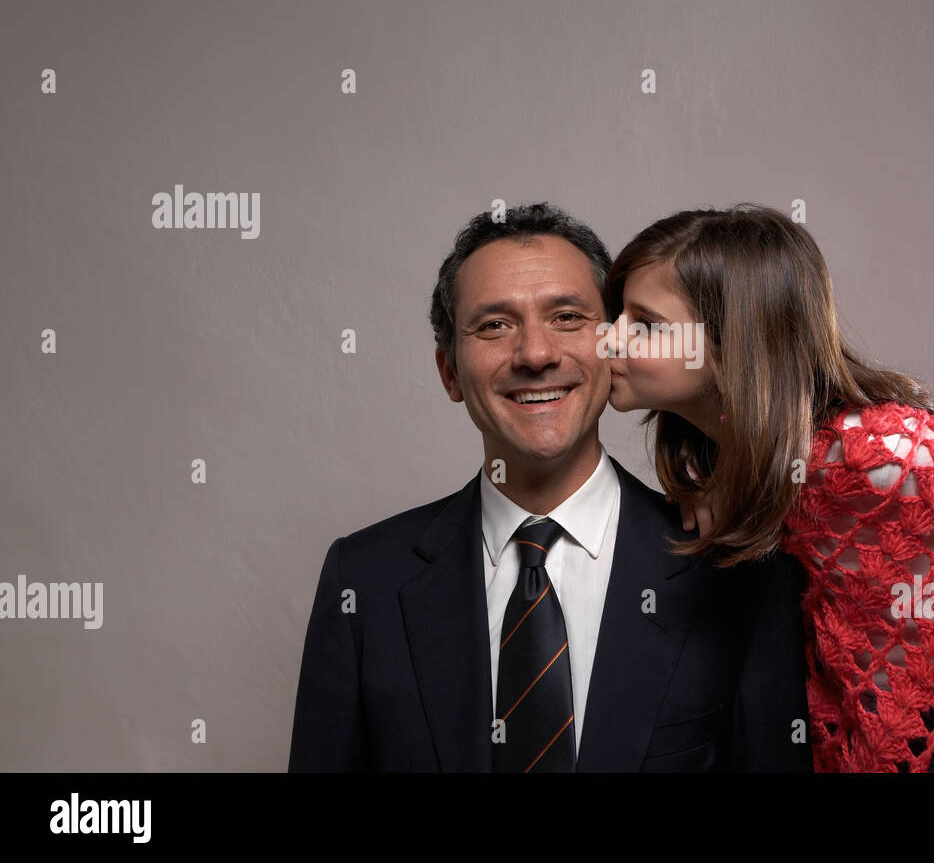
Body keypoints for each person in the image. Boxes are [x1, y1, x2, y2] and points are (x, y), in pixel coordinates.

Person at [602, 203, 934, 772]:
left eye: (645, 325)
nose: (608, 339)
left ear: (731, 341)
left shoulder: (864, 456)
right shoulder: (744, 459)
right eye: (617, 315)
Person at [287, 202, 811, 772]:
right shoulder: (364, 579)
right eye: (494, 325)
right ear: (449, 372)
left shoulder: (735, 566)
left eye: (567, 317)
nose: (535, 354)